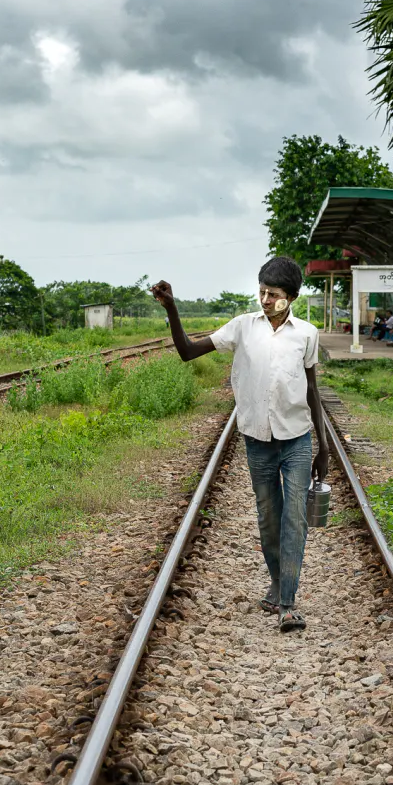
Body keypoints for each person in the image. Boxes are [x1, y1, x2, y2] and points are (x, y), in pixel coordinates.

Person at [152, 256, 329, 634]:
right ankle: (278, 584)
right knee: (269, 519)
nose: (265, 300)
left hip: (296, 437)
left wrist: (324, 446)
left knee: (294, 518)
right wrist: (172, 309)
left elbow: (313, 390)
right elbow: (187, 351)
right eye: (262, 292)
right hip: (257, 440)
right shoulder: (242, 328)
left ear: (292, 297)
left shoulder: (307, 334)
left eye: (275, 295)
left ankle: (287, 604)